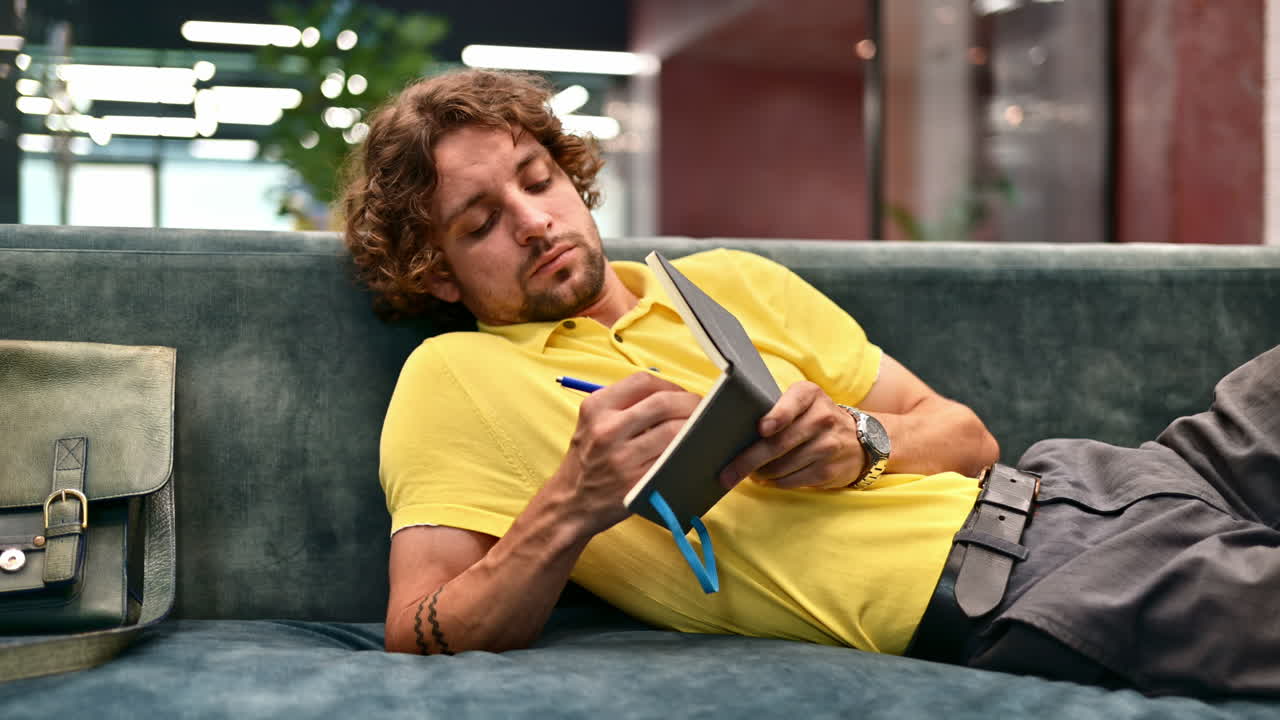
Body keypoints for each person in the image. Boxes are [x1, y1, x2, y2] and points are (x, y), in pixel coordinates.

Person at [342, 68, 1280, 698]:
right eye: (480, 222)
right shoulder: (454, 376)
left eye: (536, 180)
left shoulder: (727, 281)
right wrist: (574, 507)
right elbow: (418, 630)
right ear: (433, 273)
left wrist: (859, 443)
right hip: (1027, 587)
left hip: (1098, 480)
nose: (535, 222)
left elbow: (964, 434)